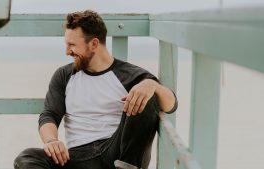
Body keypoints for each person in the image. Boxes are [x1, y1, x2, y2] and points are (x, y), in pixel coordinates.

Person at [14, 10, 178, 169]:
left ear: (94, 44)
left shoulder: (130, 75)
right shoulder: (64, 75)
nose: (67, 51)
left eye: (72, 45)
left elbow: (171, 105)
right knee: (26, 158)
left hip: (117, 154)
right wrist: (51, 141)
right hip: (77, 158)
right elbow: (49, 115)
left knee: (148, 94)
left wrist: (152, 85)